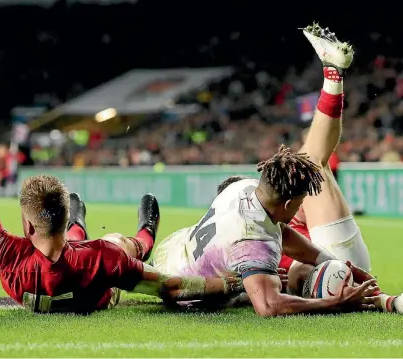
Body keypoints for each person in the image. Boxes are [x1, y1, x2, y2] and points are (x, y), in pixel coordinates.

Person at [0, 94, 244, 314]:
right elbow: (171, 287)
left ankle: (78, 227)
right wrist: (233, 282)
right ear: (62, 216)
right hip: (95, 279)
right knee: (116, 242)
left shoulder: (8, 257)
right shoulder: (101, 258)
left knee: (78, 244)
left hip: (56, 259)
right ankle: (143, 239)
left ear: (28, 225)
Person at [152, 24, 384, 317]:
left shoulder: (249, 207)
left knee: (310, 164)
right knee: (312, 163)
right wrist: (335, 301)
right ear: (285, 204)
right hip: (332, 273)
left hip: (333, 264)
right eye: (298, 201)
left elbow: (285, 236)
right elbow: (269, 305)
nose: (303, 203)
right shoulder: (253, 240)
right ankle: (333, 77)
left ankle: (333, 76)